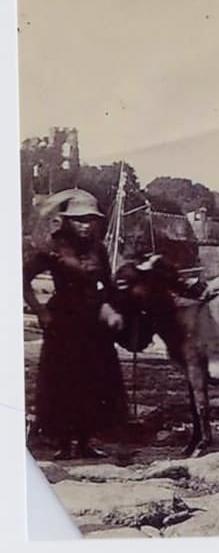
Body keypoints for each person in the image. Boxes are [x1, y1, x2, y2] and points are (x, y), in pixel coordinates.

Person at [23, 188, 127, 460]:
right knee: (63, 380)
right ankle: (63, 444)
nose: (85, 225)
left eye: (90, 220)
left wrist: (112, 308)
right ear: (67, 221)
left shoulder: (98, 249)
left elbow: (107, 285)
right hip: (63, 322)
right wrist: (40, 312)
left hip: (93, 324)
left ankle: (84, 442)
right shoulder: (53, 248)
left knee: (93, 380)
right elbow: (21, 279)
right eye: (79, 220)